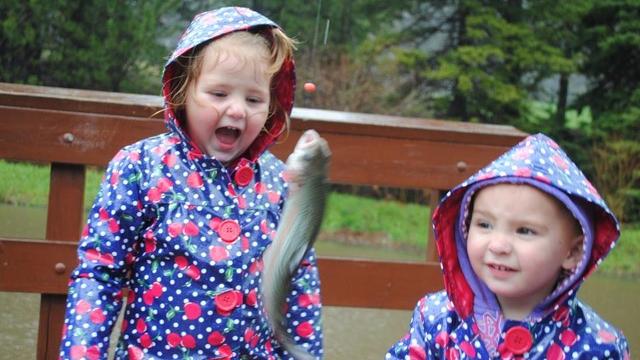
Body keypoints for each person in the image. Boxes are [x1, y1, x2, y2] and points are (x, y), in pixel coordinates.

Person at [58, 7, 324, 359]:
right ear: (183, 91)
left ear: (272, 106)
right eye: (219, 94)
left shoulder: (279, 182)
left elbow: (299, 283)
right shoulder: (140, 167)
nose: (237, 110)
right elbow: (99, 274)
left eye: (254, 99)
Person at [387, 133, 630, 359]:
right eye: (484, 224)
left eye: (524, 230)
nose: (499, 245)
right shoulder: (436, 318)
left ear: (574, 252)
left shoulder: (597, 345)